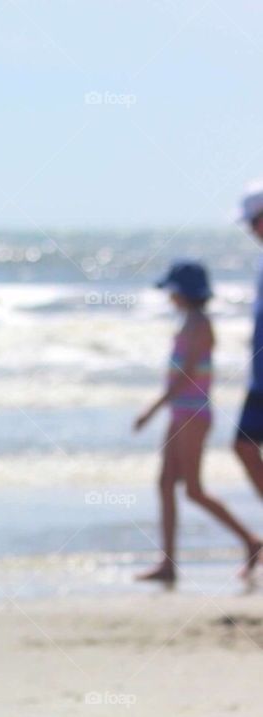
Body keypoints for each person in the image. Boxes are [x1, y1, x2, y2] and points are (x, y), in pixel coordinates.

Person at [133, 260, 261, 584]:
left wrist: (152, 408)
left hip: (193, 413)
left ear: (184, 292)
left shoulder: (200, 324)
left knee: (193, 489)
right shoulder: (188, 321)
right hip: (180, 412)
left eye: (173, 291)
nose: (169, 297)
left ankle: (250, 540)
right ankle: (168, 563)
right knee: (165, 485)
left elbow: (187, 374)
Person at [233, 180, 263, 499]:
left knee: (243, 445)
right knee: (243, 445)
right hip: (259, 380)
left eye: (251, 224)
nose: (250, 231)